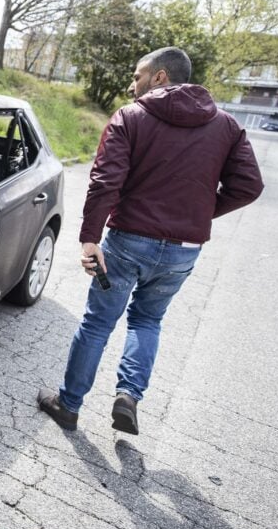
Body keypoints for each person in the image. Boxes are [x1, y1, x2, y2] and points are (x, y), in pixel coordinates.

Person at [38, 47, 264, 434]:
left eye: (138, 75)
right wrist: (198, 214)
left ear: (160, 77)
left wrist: (90, 239)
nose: (132, 84)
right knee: (147, 320)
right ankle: (129, 395)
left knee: (97, 323)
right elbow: (249, 186)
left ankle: (69, 405)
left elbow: (105, 181)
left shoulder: (132, 116)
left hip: (128, 241)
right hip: (183, 250)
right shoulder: (226, 125)